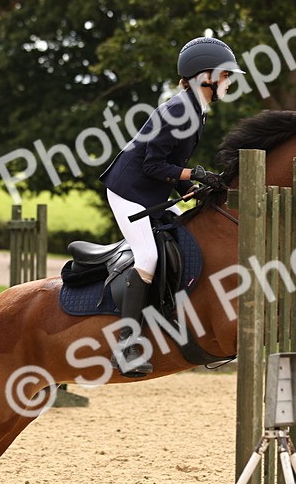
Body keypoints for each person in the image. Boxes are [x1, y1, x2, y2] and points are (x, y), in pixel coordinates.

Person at [99, 37, 243, 376]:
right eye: (225, 75)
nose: (229, 82)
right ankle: (125, 345)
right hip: (129, 192)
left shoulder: (195, 110)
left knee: (189, 241)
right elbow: (152, 165)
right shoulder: (180, 110)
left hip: (154, 192)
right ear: (203, 76)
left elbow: (172, 162)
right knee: (148, 257)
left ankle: (169, 315)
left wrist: (192, 186)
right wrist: (194, 173)